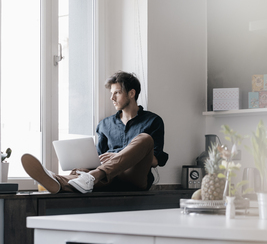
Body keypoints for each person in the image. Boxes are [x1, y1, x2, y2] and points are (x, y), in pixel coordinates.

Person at [21, 71, 168, 193]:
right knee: (85, 179)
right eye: (112, 93)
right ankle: (57, 180)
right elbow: (98, 158)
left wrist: (117, 156)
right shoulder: (105, 124)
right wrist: (84, 167)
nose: (112, 98)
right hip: (109, 178)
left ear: (131, 93)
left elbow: (154, 161)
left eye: (117, 93)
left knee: (145, 139)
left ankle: (89, 176)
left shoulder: (153, 121)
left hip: (135, 176)